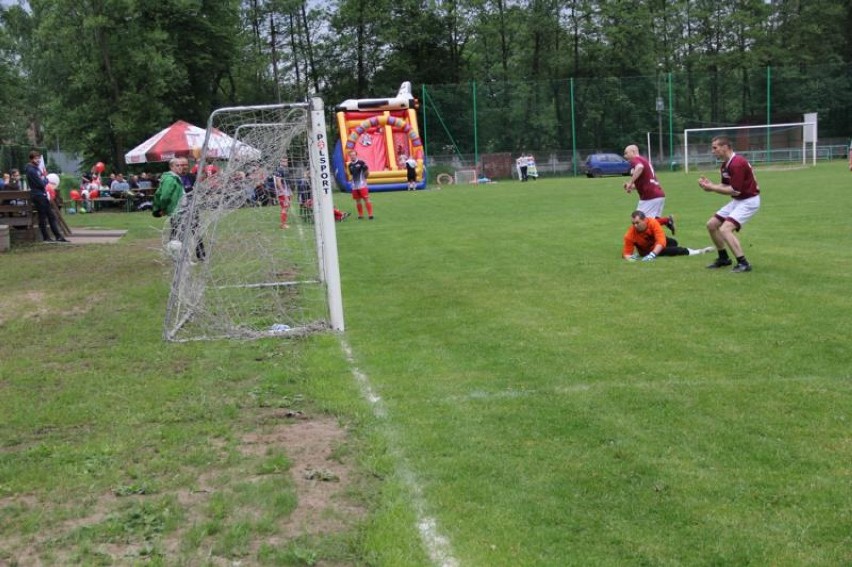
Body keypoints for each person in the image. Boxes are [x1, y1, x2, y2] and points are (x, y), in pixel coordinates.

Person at [698, 136, 760, 273]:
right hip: (738, 201)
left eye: (715, 148)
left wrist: (712, 188)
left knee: (725, 228)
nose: (713, 151)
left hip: (749, 201)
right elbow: (725, 185)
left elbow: (735, 190)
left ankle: (743, 263)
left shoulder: (737, 163)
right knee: (712, 225)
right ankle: (723, 258)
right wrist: (710, 185)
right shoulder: (725, 165)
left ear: (725, 147)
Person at [623, 145, 676, 234]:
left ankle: (639, 245)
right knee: (652, 223)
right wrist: (632, 187)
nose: (625, 156)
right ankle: (667, 222)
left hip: (650, 196)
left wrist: (630, 183)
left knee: (639, 223)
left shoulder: (636, 160)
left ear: (633, 151)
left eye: (626, 153)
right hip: (658, 194)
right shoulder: (645, 160)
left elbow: (639, 167)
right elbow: (647, 181)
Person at [623, 210, 713, 261]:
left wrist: (653, 255)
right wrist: (633, 259)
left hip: (656, 245)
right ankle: (699, 251)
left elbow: (661, 241)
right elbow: (627, 254)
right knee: (674, 250)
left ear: (645, 220)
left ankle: (668, 221)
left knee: (673, 242)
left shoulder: (653, 223)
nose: (635, 225)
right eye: (633, 223)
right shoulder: (630, 235)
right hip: (648, 250)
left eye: (637, 223)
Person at [24, 151, 68, 243]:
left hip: (42, 195)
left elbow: (42, 179)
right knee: (43, 217)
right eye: (36, 158)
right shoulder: (31, 170)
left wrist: (44, 180)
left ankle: (57, 236)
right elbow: (40, 183)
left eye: (39, 158)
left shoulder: (36, 169)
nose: (38, 160)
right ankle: (46, 237)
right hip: (38, 196)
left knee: (50, 216)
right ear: (31, 159)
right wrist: (46, 180)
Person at [347, 150, 373, 219]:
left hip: (362, 185)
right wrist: (351, 181)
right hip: (354, 186)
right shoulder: (350, 165)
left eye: (353, 155)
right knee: (357, 200)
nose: (352, 156)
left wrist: (365, 178)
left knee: (366, 199)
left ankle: (370, 215)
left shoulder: (361, 163)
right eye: (351, 155)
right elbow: (351, 174)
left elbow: (367, 171)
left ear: (356, 155)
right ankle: (360, 215)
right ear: (350, 156)